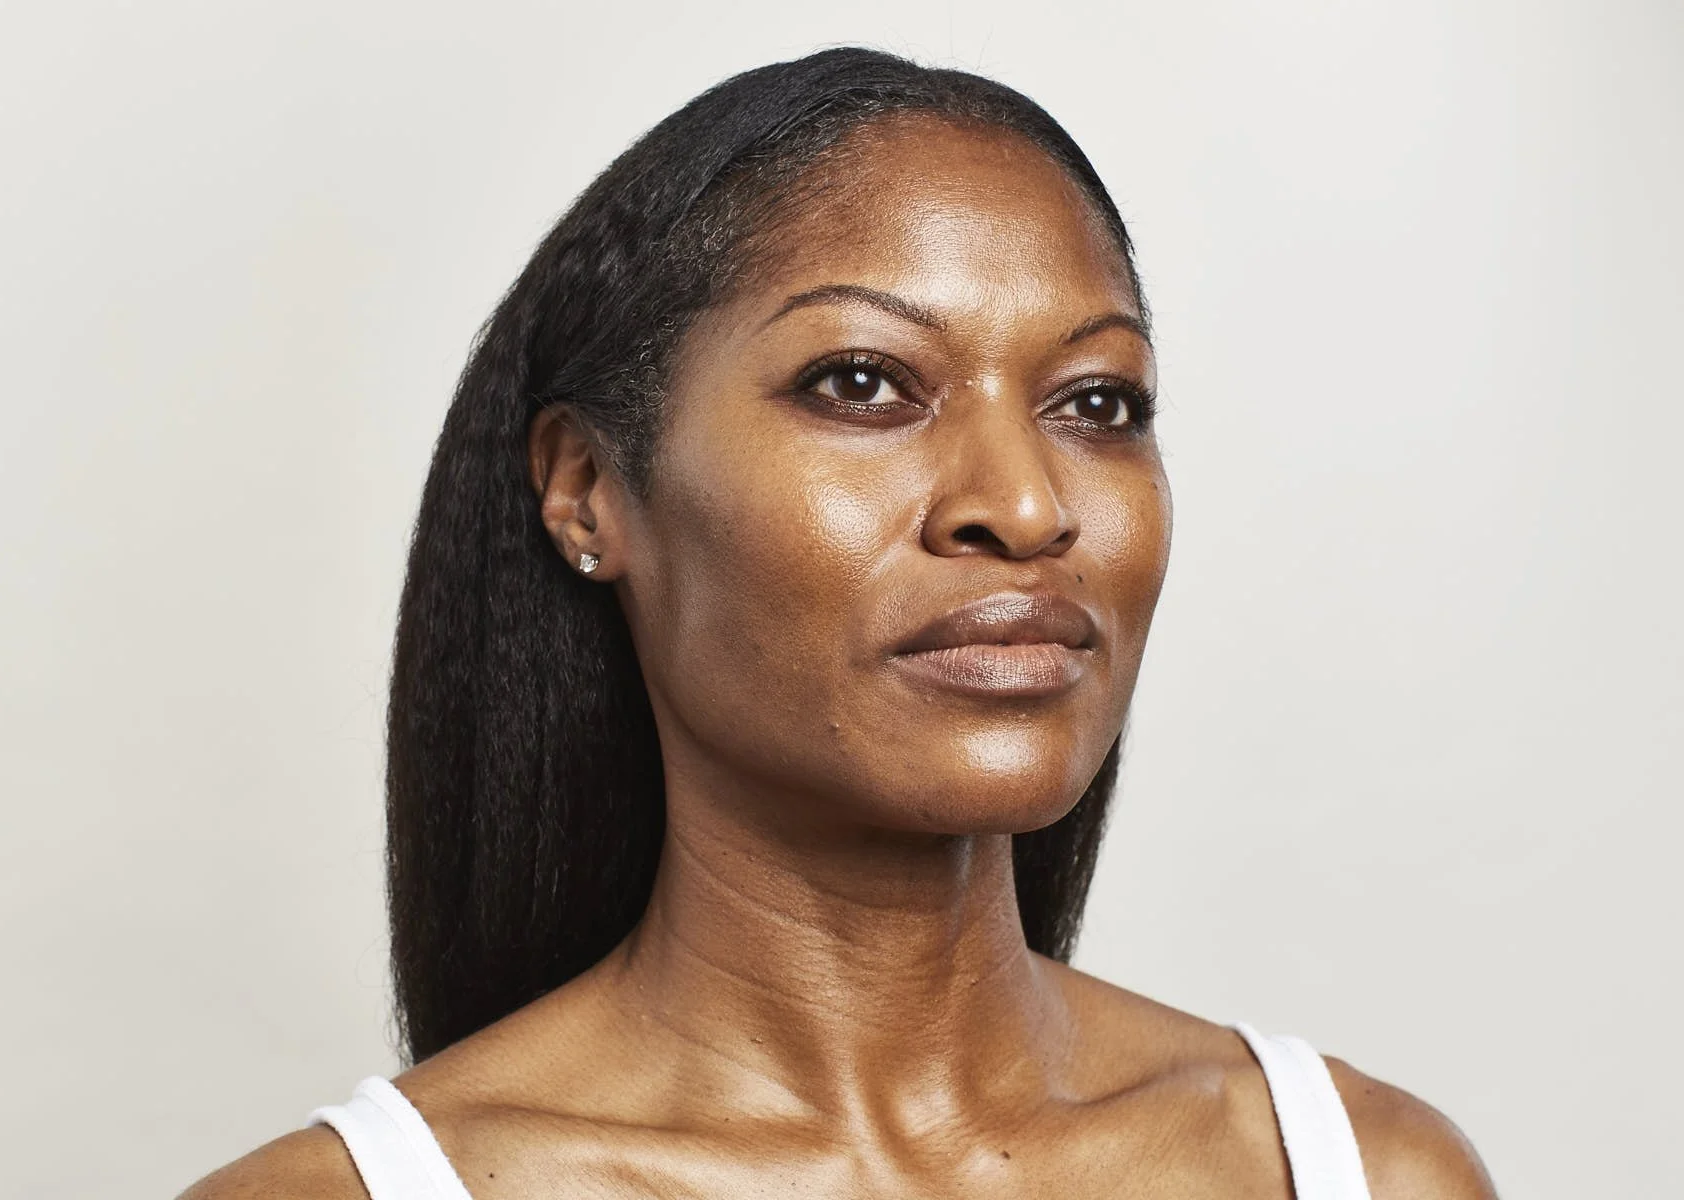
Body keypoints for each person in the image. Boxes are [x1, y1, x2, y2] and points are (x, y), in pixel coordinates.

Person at [184, 47, 1496, 1199]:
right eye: (863, 383)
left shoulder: (1361, 1174)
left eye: (1096, 404)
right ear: (588, 490)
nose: (1027, 505)